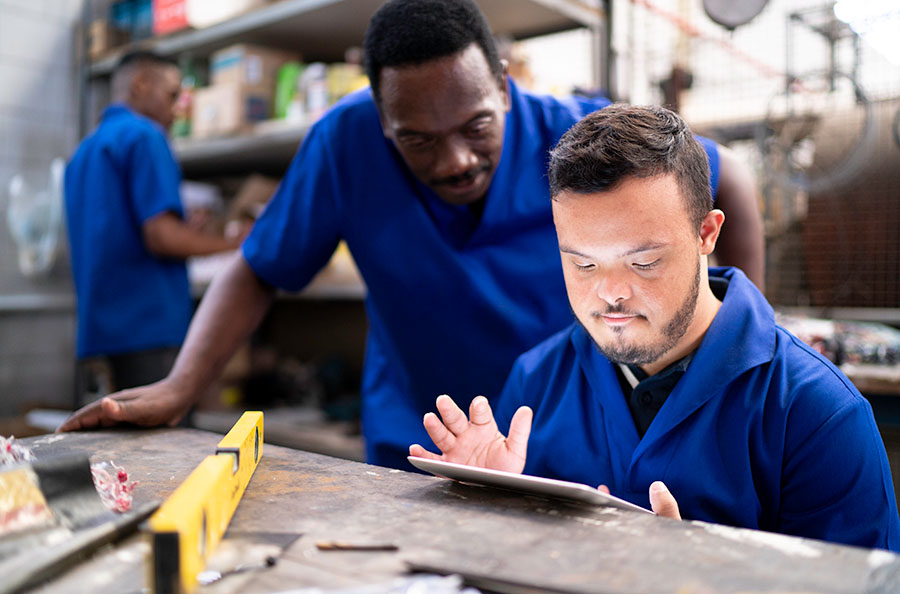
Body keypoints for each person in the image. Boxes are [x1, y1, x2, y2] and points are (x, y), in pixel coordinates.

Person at [59, 0, 764, 471]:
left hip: (563, 441)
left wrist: (738, 343)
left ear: (505, 86)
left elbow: (727, 177)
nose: (454, 160)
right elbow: (258, 267)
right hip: (417, 441)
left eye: (478, 127)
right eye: (417, 141)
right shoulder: (345, 144)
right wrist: (185, 385)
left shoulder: (572, 138)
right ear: (381, 116)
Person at [410, 104, 900, 550]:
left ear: (707, 233)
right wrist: (487, 515)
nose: (611, 294)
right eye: (583, 266)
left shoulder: (817, 413)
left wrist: (704, 582)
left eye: (643, 263)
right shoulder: (536, 381)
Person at [65, 51, 241, 394]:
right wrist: (237, 243)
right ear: (141, 83)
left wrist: (184, 229)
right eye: (172, 95)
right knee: (161, 444)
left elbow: (115, 231)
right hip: (149, 331)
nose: (177, 108)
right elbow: (162, 238)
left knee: (112, 444)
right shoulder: (145, 135)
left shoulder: (85, 151)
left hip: (101, 332)